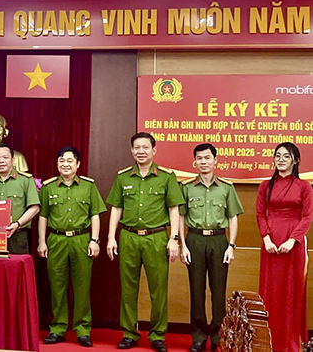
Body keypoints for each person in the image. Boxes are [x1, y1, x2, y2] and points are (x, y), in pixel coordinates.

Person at [105, 132, 184, 352]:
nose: (141, 151)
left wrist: (174, 238)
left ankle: (157, 335)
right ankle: (129, 333)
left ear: (154, 150)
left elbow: (174, 209)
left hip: (156, 237)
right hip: (128, 237)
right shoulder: (123, 177)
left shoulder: (166, 177)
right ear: (132, 151)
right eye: (137, 148)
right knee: (128, 288)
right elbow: (116, 208)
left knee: (158, 289)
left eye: (145, 147)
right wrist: (111, 237)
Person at [38, 146, 106, 347]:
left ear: (78, 164)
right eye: (61, 161)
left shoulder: (88, 186)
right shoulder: (48, 187)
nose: (65, 164)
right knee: (57, 286)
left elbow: (95, 215)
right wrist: (42, 241)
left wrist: (95, 240)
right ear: (57, 164)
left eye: (69, 161)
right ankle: (58, 329)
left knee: (82, 287)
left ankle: (82, 330)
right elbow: (43, 216)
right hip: (56, 240)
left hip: (81, 239)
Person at [179, 143, 243, 352]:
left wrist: (231, 245)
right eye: (199, 158)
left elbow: (232, 217)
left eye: (207, 158)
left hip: (219, 241)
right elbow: (180, 216)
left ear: (216, 160)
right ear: (194, 162)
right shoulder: (187, 187)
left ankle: (217, 336)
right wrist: (182, 245)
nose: (203, 162)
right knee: (197, 291)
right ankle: (198, 336)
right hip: (195, 240)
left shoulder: (226, 187)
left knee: (218, 290)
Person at [256, 142, 312, 352]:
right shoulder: (265, 186)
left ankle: (290, 343)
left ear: (295, 161)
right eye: (277, 156)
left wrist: (292, 240)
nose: (280, 160)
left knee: (292, 292)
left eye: (286, 156)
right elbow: (260, 214)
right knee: (270, 291)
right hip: (270, 244)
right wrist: (266, 239)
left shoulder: (304, 187)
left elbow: (307, 217)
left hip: (293, 244)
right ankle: (269, 342)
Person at [0, 144, 40, 254]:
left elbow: (35, 208)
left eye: (5, 157)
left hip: (17, 236)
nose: (1, 161)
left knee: (17, 265)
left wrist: (17, 224)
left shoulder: (25, 180)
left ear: (13, 160)